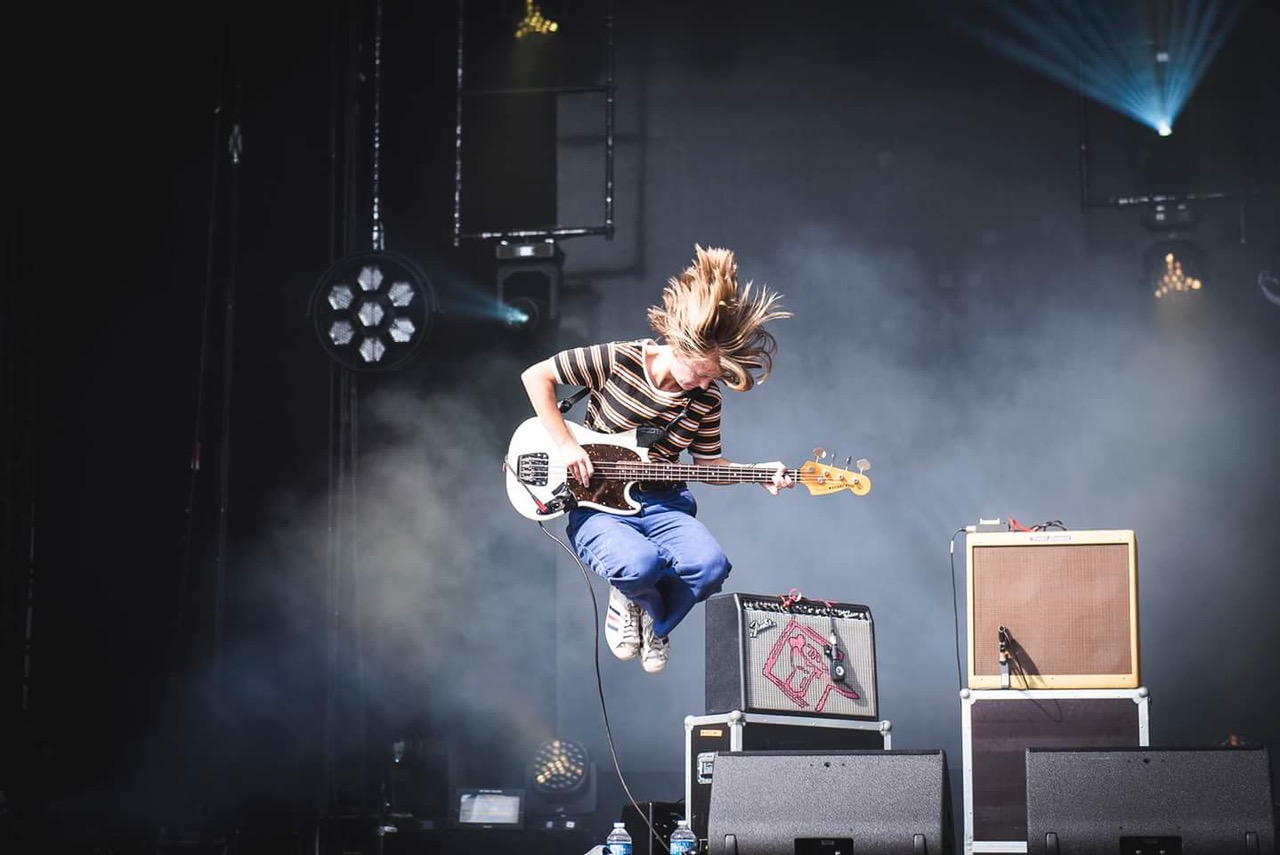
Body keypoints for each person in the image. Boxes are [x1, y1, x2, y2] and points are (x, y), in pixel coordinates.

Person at [520, 245, 794, 674]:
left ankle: (654, 618)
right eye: (702, 371)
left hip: (663, 503)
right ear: (680, 345)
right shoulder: (619, 359)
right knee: (640, 565)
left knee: (710, 568)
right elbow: (536, 376)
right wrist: (567, 446)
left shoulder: (705, 399)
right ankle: (631, 592)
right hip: (599, 505)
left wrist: (756, 474)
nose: (706, 382)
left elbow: (706, 466)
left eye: (713, 376)